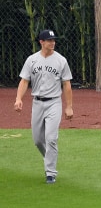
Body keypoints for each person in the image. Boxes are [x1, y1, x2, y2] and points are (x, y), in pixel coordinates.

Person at [14, 29, 73, 184]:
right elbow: (24, 81)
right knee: (38, 140)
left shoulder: (61, 60)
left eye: (53, 40)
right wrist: (18, 98)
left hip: (54, 102)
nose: (52, 42)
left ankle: (50, 173)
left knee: (51, 138)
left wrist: (69, 107)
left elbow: (66, 84)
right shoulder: (32, 60)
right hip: (37, 103)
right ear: (41, 42)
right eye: (49, 40)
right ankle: (49, 159)